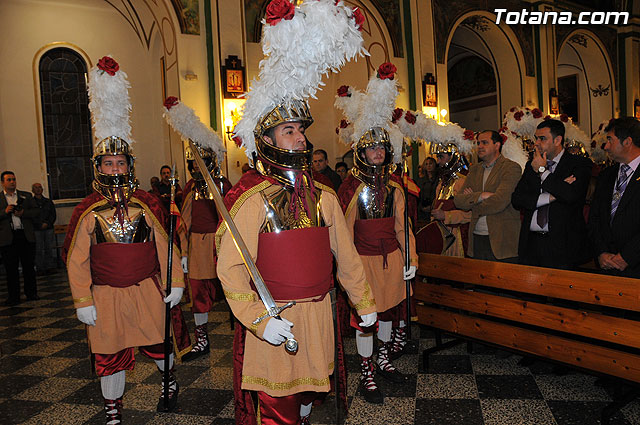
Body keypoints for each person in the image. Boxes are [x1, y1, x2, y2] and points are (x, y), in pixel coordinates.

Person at [217, 3, 373, 423]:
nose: (301, 138)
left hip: (320, 313)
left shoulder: (323, 196)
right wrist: (257, 320)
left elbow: (345, 254)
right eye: (290, 130)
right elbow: (231, 268)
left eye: (302, 130)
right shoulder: (251, 200)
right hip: (275, 318)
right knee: (277, 404)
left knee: (308, 394)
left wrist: (362, 300)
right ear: (266, 139)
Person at [62, 56, 189, 424]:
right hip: (105, 295)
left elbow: (166, 246)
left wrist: (176, 281)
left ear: (129, 166)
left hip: (146, 290)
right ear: (98, 167)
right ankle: (113, 407)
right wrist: (82, 299)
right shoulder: (87, 210)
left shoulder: (147, 203)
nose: (115, 169)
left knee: (158, 343)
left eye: (121, 163)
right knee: (109, 353)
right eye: (109, 164)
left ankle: (168, 383)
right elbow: (77, 259)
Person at [336, 63, 417, 404]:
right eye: (372, 149)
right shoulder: (351, 186)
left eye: (382, 149)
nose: (378, 153)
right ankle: (367, 368)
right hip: (363, 262)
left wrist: (411, 257)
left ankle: (383, 358)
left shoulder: (395, 184)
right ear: (360, 151)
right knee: (365, 316)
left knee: (387, 313)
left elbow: (403, 225)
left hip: (392, 260)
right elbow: (342, 231)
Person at [162, 96, 232, 362]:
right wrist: (183, 252)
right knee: (199, 295)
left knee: (233, 291)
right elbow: (184, 221)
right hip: (198, 249)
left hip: (223, 246)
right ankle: (202, 339)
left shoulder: (223, 185)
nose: (196, 166)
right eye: (195, 162)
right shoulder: (191, 187)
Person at [512, 119, 592, 269]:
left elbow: (570, 195)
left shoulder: (579, 164)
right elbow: (517, 199)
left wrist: (543, 171)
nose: (536, 143)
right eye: (536, 138)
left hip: (563, 245)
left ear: (557, 140)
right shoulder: (532, 164)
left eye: (542, 138)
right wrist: (550, 197)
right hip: (532, 244)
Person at [454, 131, 522, 261]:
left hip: (501, 240)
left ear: (497, 145)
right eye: (478, 143)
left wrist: (473, 202)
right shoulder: (474, 170)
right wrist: (481, 196)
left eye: (484, 143)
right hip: (477, 237)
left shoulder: (511, 168)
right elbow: (458, 201)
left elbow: (500, 201)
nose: (479, 146)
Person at [588, 117, 640, 277]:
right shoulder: (606, 175)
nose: (606, 146)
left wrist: (627, 257)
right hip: (607, 265)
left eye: (610, 139)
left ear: (627, 142)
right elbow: (595, 218)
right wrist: (602, 252)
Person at [0, 171, 39, 305]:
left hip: (25, 235)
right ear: (3, 183)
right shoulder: (0, 198)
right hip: (8, 237)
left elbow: (35, 211)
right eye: (9, 180)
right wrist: (4, 212)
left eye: (14, 179)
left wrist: (23, 213)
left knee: (29, 266)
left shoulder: (26, 196)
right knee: (11, 268)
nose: (12, 182)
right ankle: (14, 296)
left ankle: (31, 293)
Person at [430, 145, 471, 256]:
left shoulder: (463, 180)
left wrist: (446, 215)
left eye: (441, 157)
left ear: (452, 156)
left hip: (458, 237)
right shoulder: (443, 181)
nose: (438, 162)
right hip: (442, 236)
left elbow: (471, 214)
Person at [32, 182, 57, 274]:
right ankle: (40, 268)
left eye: (39, 187)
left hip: (48, 228)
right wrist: (39, 224)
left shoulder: (48, 202)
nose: (38, 189)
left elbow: (53, 215)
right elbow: (31, 215)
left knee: (49, 248)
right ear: (33, 190)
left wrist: (47, 223)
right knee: (38, 249)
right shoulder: (30, 202)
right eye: (36, 188)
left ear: (42, 189)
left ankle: (49, 266)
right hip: (36, 229)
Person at [416, 157, 439, 221]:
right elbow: (419, 195)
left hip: (434, 208)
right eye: (426, 164)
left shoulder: (438, 179)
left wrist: (432, 206)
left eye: (430, 164)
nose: (428, 166)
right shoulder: (421, 180)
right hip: (422, 210)